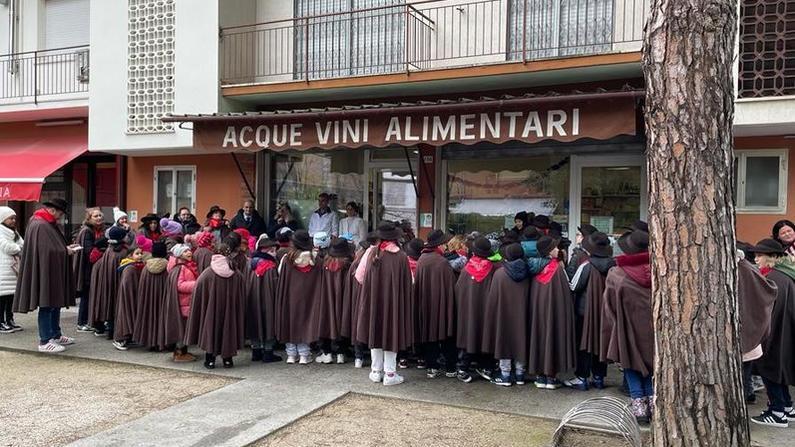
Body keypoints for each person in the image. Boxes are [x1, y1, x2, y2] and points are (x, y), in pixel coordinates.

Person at [601, 230, 654, 424]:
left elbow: (609, 305)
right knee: (652, 364)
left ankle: (639, 406)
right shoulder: (662, 269)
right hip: (655, 328)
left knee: (630, 364)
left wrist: (615, 326)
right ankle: (653, 402)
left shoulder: (617, 273)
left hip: (627, 327)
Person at [13, 198, 79, 353]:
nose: (61, 217)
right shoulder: (40, 224)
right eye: (61, 213)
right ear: (53, 210)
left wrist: (64, 248)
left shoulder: (43, 222)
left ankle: (55, 335)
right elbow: (46, 251)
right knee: (47, 305)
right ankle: (45, 340)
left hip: (50, 269)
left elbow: (50, 247)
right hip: (46, 271)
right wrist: (66, 251)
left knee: (54, 303)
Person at [354, 221, 413, 386]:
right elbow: (409, 282)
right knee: (391, 333)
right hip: (393, 302)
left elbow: (359, 276)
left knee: (376, 331)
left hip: (374, 301)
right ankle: (390, 374)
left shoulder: (371, 252)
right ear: (395, 238)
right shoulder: (401, 256)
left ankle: (375, 372)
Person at [749, 238, 795, 428]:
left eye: (760, 255)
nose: (757, 259)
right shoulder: (786, 274)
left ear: (773, 257)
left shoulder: (774, 278)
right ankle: (786, 407)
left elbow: (769, 310)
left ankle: (777, 412)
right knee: (779, 369)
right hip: (785, 331)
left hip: (775, 332)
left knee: (769, 368)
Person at [565, 232, 614, 391]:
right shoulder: (614, 265)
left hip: (585, 312)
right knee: (602, 343)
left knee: (585, 344)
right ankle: (599, 378)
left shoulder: (586, 266)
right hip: (606, 312)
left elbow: (574, 286)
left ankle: (582, 378)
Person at [185, 242, 247, 369]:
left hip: (212, 309)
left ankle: (210, 360)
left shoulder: (208, 273)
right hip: (230, 310)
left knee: (211, 330)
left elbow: (198, 289)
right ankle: (228, 360)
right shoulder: (236, 272)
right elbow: (243, 291)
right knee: (228, 330)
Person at [527, 235, 575, 390]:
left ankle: (540, 375)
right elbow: (564, 295)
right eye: (554, 248)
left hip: (538, 313)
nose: (558, 250)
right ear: (548, 252)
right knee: (553, 337)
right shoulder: (556, 269)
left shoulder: (535, 267)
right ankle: (551, 376)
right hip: (554, 313)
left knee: (539, 337)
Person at [482, 243, 530, 386]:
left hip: (504, 314)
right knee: (521, 339)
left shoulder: (500, 274)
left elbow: (493, 297)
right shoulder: (528, 273)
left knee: (504, 341)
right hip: (522, 313)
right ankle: (520, 374)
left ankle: (506, 375)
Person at [736, 242, 777, 404]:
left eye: (760, 255)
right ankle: (748, 393)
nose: (758, 259)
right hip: (750, 330)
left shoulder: (743, 270)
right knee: (746, 371)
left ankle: (745, 395)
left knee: (743, 372)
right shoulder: (749, 269)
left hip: (745, 330)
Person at [414, 229, 457, 378]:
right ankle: (451, 368)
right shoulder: (443, 262)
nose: (446, 246)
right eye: (445, 243)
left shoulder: (421, 260)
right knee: (446, 333)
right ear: (439, 244)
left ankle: (432, 366)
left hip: (426, 304)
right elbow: (451, 285)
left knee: (429, 333)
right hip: (442, 304)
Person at [274, 230, 322, 364]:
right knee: (306, 321)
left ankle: (290, 354)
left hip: (290, 295)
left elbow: (279, 273)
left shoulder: (287, 258)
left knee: (290, 321)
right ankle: (304, 355)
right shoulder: (315, 259)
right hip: (310, 296)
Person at [454, 236, 498, 383]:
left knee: (469, 336)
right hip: (487, 310)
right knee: (486, 336)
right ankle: (486, 367)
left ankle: (462, 368)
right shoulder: (493, 269)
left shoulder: (466, 269)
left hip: (469, 310)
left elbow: (459, 289)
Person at [315, 238, 353, 364]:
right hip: (344, 298)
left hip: (327, 297)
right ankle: (341, 352)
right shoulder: (349, 264)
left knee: (327, 320)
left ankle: (327, 353)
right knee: (342, 320)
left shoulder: (325, 263)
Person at [88, 226, 130, 338]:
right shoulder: (123, 252)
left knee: (110, 306)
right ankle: (114, 332)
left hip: (108, 283)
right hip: (117, 284)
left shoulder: (108, 250)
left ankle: (109, 331)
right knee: (116, 306)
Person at [247, 235, 282, 364]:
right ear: (266, 250)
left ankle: (256, 351)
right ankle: (268, 352)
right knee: (268, 322)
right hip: (267, 300)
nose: (275, 253)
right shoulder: (270, 266)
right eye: (272, 250)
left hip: (252, 299)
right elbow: (274, 286)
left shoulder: (250, 263)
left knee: (255, 322)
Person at [132, 242, 170, 350]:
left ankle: (150, 342)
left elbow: (142, 287)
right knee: (162, 318)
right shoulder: (167, 267)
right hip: (163, 300)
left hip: (148, 300)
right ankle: (162, 342)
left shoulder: (145, 268)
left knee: (150, 317)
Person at [165, 243, 198, 362]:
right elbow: (179, 285)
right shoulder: (181, 268)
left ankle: (183, 351)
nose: (189, 253)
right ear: (180, 255)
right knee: (182, 328)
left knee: (184, 327)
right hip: (183, 302)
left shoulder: (183, 266)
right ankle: (179, 353)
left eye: (189, 250)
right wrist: (196, 284)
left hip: (185, 302)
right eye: (185, 252)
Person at [73, 207, 105, 332]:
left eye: (100, 216)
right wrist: (103, 248)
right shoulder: (87, 231)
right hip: (87, 270)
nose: (98, 218)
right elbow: (89, 253)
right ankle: (82, 322)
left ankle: (87, 321)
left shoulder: (98, 230)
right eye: (95, 216)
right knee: (86, 296)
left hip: (92, 269)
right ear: (89, 218)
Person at [112, 247, 146, 351]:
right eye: (137, 254)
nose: (140, 256)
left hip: (134, 296)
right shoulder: (129, 268)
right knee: (125, 316)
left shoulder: (138, 266)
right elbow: (127, 285)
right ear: (130, 256)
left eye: (141, 253)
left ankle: (129, 338)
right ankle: (120, 339)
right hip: (129, 297)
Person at [0, 207, 23, 333]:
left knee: (11, 298)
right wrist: (19, 247)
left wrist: (19, 247)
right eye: (11, 218)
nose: (13, 220)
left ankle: (10, 320)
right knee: (2, 298)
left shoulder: (14, 232)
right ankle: (1, 322)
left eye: (14, 218)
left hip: (13, 270)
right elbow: (7, 247)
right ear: (3, 218)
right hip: (3, 270)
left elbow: (23, 245)